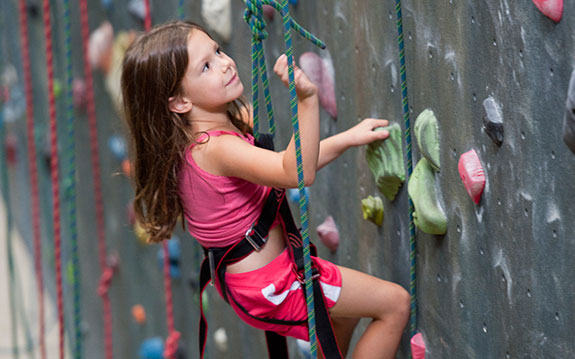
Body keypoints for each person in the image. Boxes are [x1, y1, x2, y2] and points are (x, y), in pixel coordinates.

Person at [121, 20, 410, 359]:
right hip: (272, 284)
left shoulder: (195, 141)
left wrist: (348, 138)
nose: (226, 63)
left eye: (217, 50)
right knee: (394, 303)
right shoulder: (214, 149)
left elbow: (289, 164)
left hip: (256, 284)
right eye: (207, 66)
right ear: (180, 102)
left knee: (340, 319)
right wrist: (308, 99)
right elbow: (295, 171)